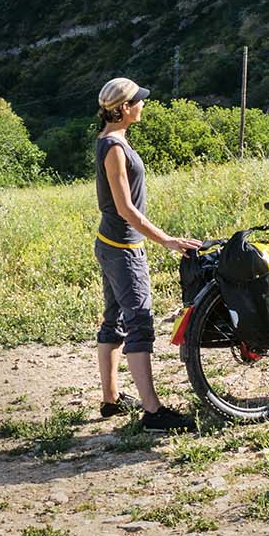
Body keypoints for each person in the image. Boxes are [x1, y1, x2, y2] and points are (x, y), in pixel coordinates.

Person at [92, 76, 201, 428]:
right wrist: (167, 240)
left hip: (110, 244)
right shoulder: (114, 147)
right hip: (123, 248)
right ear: (124, 108)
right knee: (139, 322)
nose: (143, 104)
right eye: (138, 100)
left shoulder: (110, 139)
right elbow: (126, 208)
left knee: (114, 320)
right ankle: (153, 411)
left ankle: (111, 400)